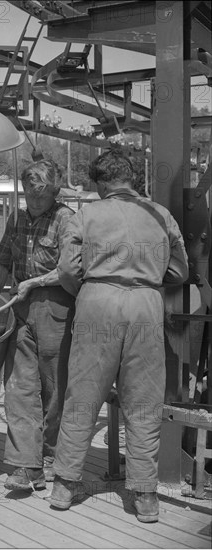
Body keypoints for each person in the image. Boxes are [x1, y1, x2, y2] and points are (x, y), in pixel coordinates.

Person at [51, 150, 189, 523]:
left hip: (98, 299)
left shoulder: (87, 214)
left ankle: (64, 484)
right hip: (146, 303)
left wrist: (86, 290)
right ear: (131, 179)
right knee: (143, 402)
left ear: (100, 184)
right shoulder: (160, 214)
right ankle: (144, 496)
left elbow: (67, 267)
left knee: (82, 394)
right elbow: (180, 269)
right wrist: (150, 278)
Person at [0, 159, 75, 491]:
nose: (34, 202)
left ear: (55, 191)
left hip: (56, 306)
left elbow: (69, 271)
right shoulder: (17, 218)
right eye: (29, 195)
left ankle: (51, 456)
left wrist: (34, 283)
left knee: (54, 386)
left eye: (42, 195)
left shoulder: (67, 220)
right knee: (19, 387)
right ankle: (25, 464)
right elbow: (2, 263)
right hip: (21, 306)